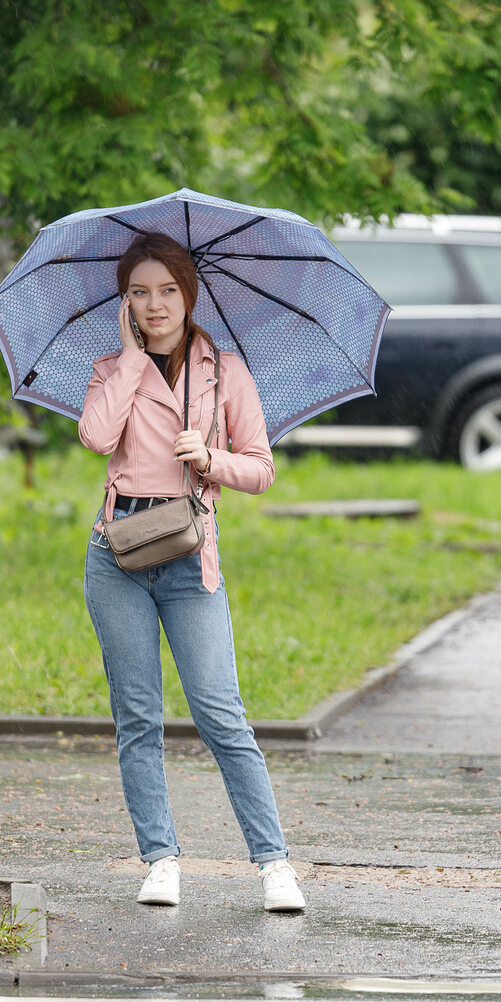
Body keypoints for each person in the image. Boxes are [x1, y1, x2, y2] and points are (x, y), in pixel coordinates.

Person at [78, 232, 304, 914]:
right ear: (126, 300)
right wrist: (126, 360)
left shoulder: (223, 371)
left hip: (189, 556)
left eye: (168, 291)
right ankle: (160, 860)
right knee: (138, 715)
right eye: (140, 292)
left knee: (220, 712)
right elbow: (95, 436)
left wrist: (211, 459)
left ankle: (274, 866)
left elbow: (260, 468)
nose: (155, 305)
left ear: (189, 293)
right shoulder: (109, 368)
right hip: (118, 557)